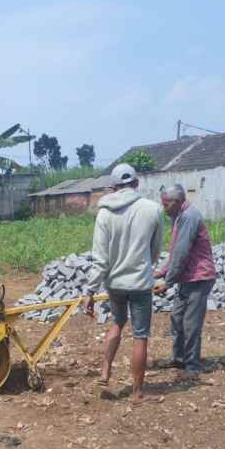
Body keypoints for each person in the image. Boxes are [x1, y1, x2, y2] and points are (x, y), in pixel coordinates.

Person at [85, 163, 164, 404]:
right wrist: (143, 265)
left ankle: (105, 371)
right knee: (140, 336)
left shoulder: (104, 213)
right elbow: (155, 249)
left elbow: (100, 258)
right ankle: (137, 392)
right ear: (136, 184)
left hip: (115, 283)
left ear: (113, 187)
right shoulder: (153, 209)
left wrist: (90, 290)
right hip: (140, 283)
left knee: (117, 323)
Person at [155, 184, 216, 379]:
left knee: (191, 323)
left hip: (199, 277)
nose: (163, 208)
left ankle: (192, 366)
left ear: (176, 202)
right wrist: (162, 271)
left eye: (165, 204)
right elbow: (175, 251)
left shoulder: (189, 217)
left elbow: (181, 253)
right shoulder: (178, 216)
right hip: (186, 277)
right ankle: (179, 358)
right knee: (177, 318)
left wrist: (168, 281)